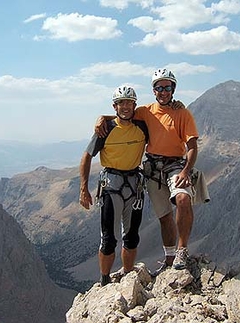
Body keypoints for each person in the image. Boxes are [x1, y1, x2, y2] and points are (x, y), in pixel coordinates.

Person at [96, 68, 200, 275]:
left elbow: (193, 147)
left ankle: (182, 250)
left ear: (173, 89)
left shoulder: (183, 113)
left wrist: (186, 171)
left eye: (167, 87)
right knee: (164, 216)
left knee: (182, 199)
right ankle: (170, 259)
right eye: (158, 87)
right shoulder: (146, 111)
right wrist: (102, 118)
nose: (163, 91)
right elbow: (124, 114)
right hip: (152, 169)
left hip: (175, 166)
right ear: (153, 91)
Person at [79, 85, 148, 286]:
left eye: (129, 102)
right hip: (111, 184)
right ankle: (105, 281)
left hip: (135, 185)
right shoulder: (105, 129)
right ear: (115, 106)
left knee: (132, 236)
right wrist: (83, 188)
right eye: (121, 103)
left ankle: (127, 276)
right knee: (109, 239)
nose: (125, 106)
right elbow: (86, 157)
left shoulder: (142, 127)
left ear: (135, 105)